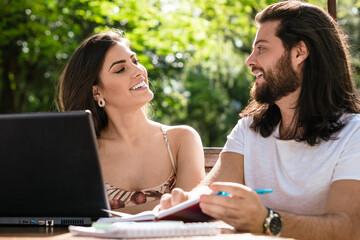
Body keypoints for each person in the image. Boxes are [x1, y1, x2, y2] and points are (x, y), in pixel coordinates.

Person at [159, 1, 360, 239]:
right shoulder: (249, 127)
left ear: (299, 52)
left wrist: (266, 220)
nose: (250, 61)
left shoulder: (354, 134)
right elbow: (213, 187)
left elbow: (348, 227)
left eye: (261, 49)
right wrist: (187, 201)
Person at [58, 30, 205, 214]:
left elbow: (189, 209)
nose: (138, 71)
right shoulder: (83, 153)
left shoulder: (182, 139)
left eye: (135, 61)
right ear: (96, 92)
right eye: (121, 69)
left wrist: (107, 215)